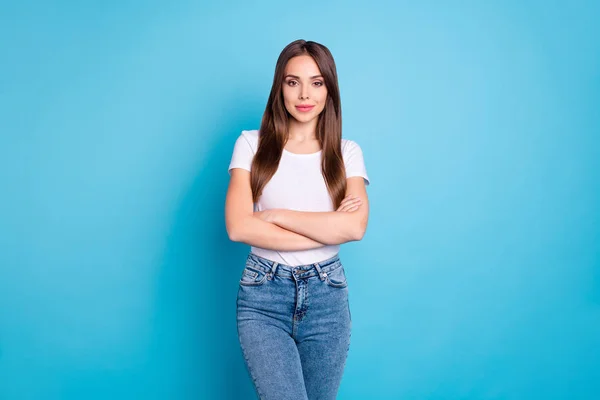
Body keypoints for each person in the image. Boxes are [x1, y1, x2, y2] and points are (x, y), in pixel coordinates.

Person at [225, 39, 370, 400]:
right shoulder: (251, 145)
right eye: (293, 82)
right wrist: (327, 227)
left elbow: (354, 227)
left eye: (316, 82)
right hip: (263, 295)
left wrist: (276, 217)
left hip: (327, 298)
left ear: (329, 90)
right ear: (280, 87)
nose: (304, 94)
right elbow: (239, 227)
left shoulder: (346, 154)